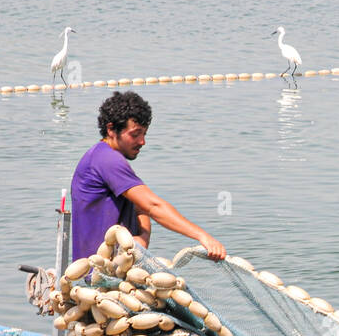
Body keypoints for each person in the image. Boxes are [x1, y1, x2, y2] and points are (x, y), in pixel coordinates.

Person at [70, 91, 226, 263]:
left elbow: (141, 207)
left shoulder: (107, 157)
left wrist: (142, 238)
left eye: (144, 134)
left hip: (120, 266)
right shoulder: (107, 160)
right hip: (100, 269)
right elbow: (153, 206)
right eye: (135, 134)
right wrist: (202, 236)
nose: (142, 141)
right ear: (111, 129)